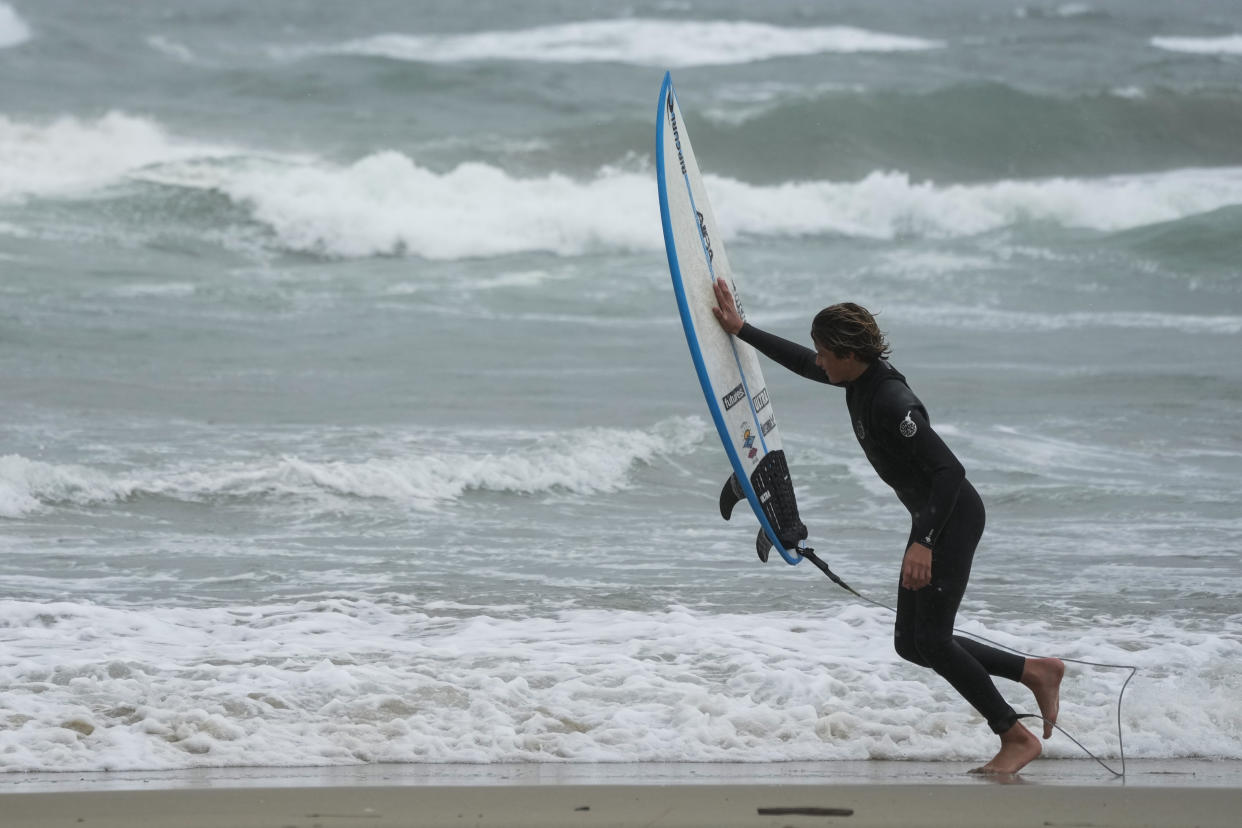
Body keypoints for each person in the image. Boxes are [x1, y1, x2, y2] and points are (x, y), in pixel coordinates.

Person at [710, 278, 1064, 775]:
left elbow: (950, 472)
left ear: (850, 354)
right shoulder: (855, 378)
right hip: (930, 520)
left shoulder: (891, 402)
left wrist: (923, 543)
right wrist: (741, 329)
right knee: (910, 642)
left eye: (825, 354)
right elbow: (800, 363)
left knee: (934, 641)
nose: (819, 362)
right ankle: (1035, 671)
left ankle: (1015, 735)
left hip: (949, 519)